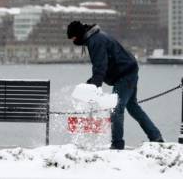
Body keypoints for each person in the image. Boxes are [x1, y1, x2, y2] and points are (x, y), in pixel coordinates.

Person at [67, 21, 164, 150]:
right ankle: (155, 137)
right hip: (128, 69)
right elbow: (103, 65)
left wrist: (94, 87)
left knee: (115, 109)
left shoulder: (95, 41)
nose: (73, 41)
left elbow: (100, 65)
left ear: (78, 34)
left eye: (73, 38)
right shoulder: (95, 37)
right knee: (132, 107)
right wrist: (92, 82)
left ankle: (117, 144)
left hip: (124, 74)